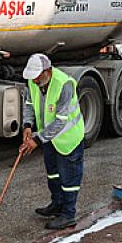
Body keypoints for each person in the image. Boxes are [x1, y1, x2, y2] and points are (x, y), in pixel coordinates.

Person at [20, 54, 86, 230]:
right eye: (32, 77)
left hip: (67, 138)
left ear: (47, 71)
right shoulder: (33, 83)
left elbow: (61, 120)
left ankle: (68, 214)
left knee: (69, 177)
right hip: (49, 138)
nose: (34, 81)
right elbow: (28, 104)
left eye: (37, 76)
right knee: (53, 174)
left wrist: (37, 139)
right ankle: (57, 204)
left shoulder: (64, 84)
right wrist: (27, 125)